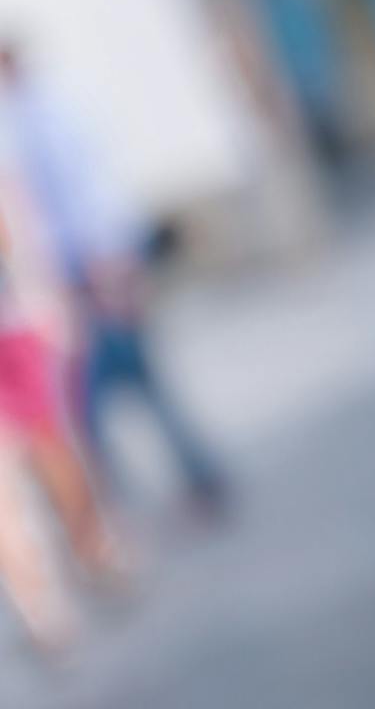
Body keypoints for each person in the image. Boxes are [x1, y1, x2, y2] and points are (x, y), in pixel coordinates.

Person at [0, 44, 228, 517]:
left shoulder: (39, 119)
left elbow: (78, 200)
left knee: (103, 391)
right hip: (98, 260)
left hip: (92, 265)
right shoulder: (53, 106)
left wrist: (104, 268)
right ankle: (173, 485)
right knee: (124, 385)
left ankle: (148, 494)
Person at [0, 205, 121, 656]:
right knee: (26, 476)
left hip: (13, 328)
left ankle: (53, 598)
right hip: (14, 325)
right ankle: (62, 586)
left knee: (46, 459)